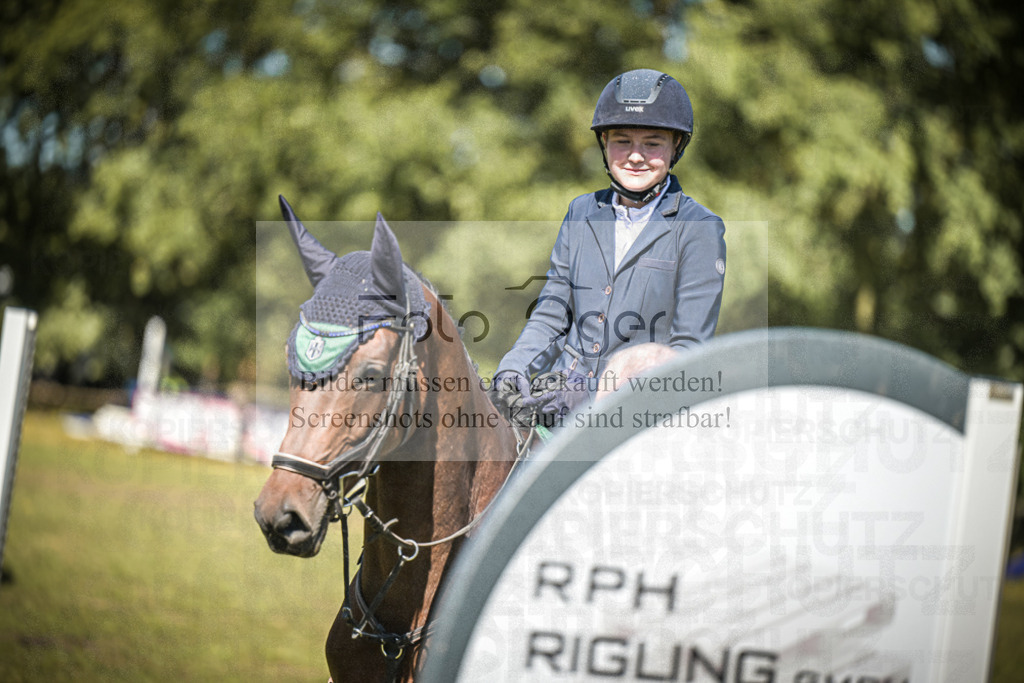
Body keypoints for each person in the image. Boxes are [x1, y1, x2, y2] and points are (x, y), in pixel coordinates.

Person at [493, 68, 726, 425]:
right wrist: (512, 371)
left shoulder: (699, 229)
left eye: (652, 143)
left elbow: (685, 346)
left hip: (640, 411)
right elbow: (552, 314)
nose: (635, 156)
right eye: (622, 141)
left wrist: (612, 393)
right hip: (559, 398)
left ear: (675, 146)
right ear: (604, 144)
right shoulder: (581, 211)